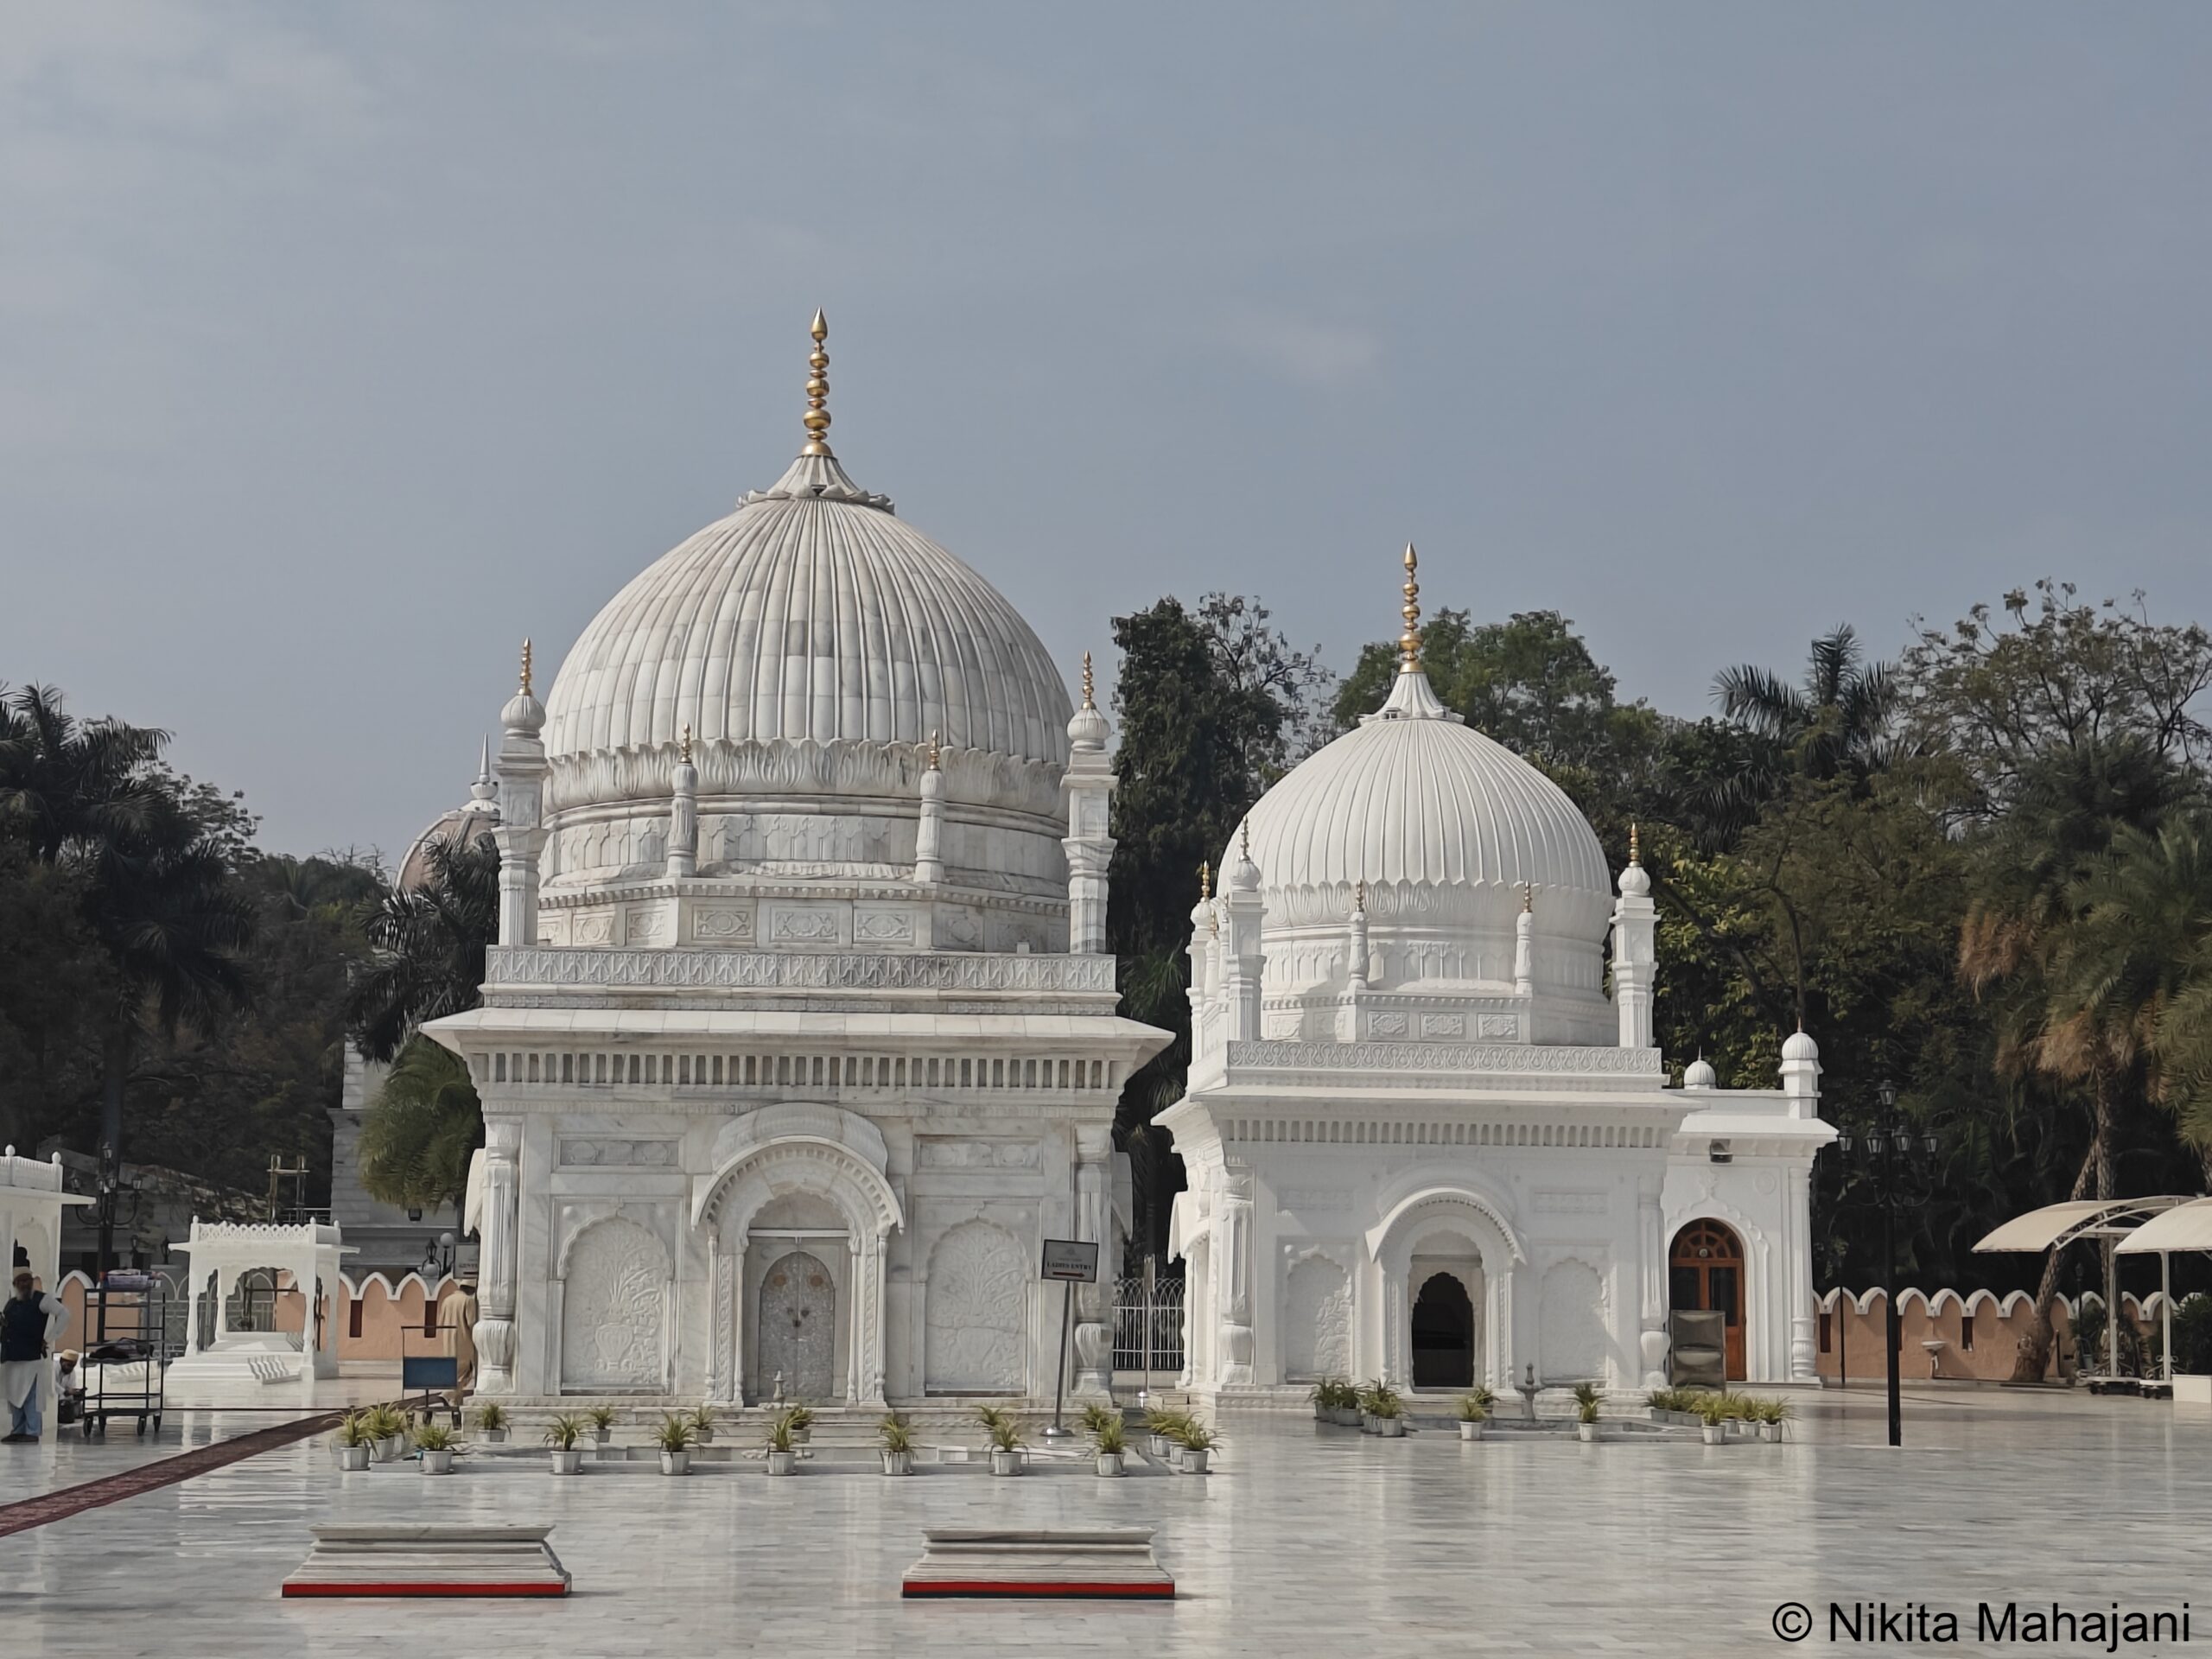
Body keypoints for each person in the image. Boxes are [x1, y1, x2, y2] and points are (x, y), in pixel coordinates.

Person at [3, 1268, 69, 1442]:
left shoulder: (42, 1299)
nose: (25, 1284)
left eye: (27, 1280)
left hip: (31, 1356)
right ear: (15, 1284)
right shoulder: (11, 1303)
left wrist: (49, 1339)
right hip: (11, 1356)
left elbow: (64, 1314)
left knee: (30, 1395)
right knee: (14, 1394)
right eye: (21, 1281)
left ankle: (32, 1432)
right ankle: (18, 1430)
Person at [435, 1274, 478, 1421]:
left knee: (454, 1375)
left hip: (448, 1343)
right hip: (463, 1343)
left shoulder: (447, 1300)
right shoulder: (468, 1301)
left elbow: (440, 1322)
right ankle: (447, 1395)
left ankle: (455, 1407)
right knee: (466, 1373)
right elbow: (472, 1324)